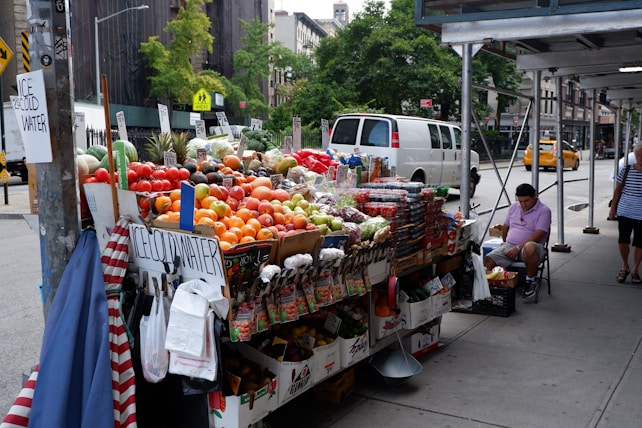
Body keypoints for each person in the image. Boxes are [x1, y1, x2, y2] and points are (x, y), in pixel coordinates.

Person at [484, 183, 552, 299]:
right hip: (510, 245)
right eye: (520, 201)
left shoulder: (544, 211)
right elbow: (505, 227)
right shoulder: (514, 207)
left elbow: (538, 235)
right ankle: (488, 289)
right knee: (488, 259)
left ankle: (530, 281)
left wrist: (517, 248)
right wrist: (506, 243)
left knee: (529, 247)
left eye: (526, 201)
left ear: (535, 196)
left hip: (533, 247)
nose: (523, 204)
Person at [608, 141, 642, 284]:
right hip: (625, 211)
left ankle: (635, 269)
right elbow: (617, 190)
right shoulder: (627, 170)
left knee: (640, 243)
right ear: (635, 156)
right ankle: (625, 265)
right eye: (639, 155)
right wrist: (613, 208)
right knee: (623, 241)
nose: (641, 158)